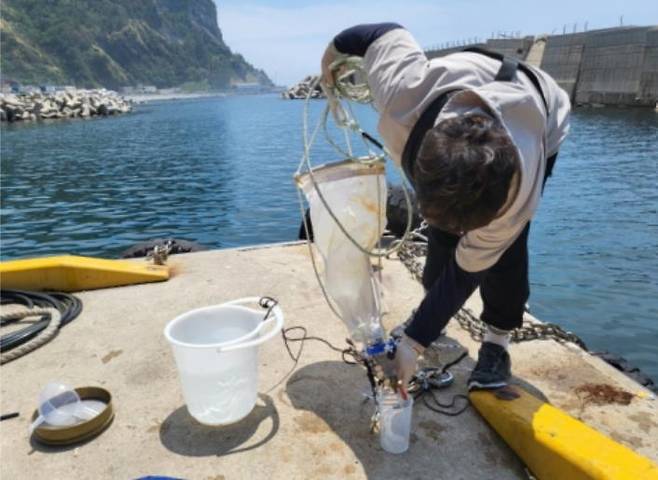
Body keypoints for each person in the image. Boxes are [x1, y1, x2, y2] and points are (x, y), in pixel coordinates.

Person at [321, 23, 571, 390]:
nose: (463, 234)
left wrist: (412, 341)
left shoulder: (516, 192)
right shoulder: (402, 97)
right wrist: (328, 61)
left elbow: (466, 271)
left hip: (540, 112)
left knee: (505, 248)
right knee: (442, 235)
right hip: (457, 82)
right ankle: (429, 316)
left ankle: (497, 342)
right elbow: (375, 34)